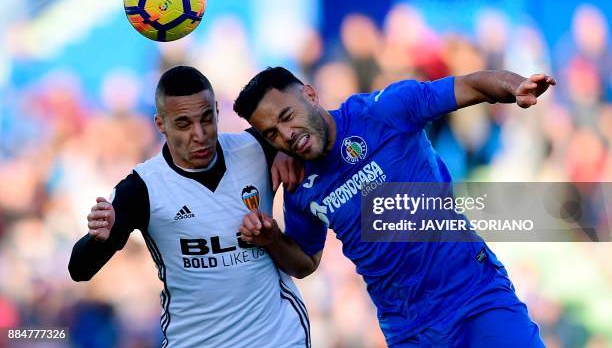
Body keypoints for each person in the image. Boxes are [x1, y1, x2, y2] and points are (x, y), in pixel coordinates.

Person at [233, 66, 556, 347]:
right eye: (272, 133)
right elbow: (306, 262)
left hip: (476, 297)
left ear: (311, 95)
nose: (287, 135)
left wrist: (515, 86)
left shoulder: (386, 110)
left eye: (288, 116)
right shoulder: (298, 188)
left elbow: (471, 85)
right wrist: (272, 238)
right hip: (410, 330)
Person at [68, 66, 310, 348]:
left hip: (278, 338)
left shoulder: (257, 149)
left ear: (218, 111)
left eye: (207, 119)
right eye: (183, 124)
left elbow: (314, 131)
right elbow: (79, 270)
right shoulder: (142, 188)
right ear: (161, 124)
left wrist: (287, 148)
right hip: (196, 340)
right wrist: (100, 240)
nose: (200, 134)